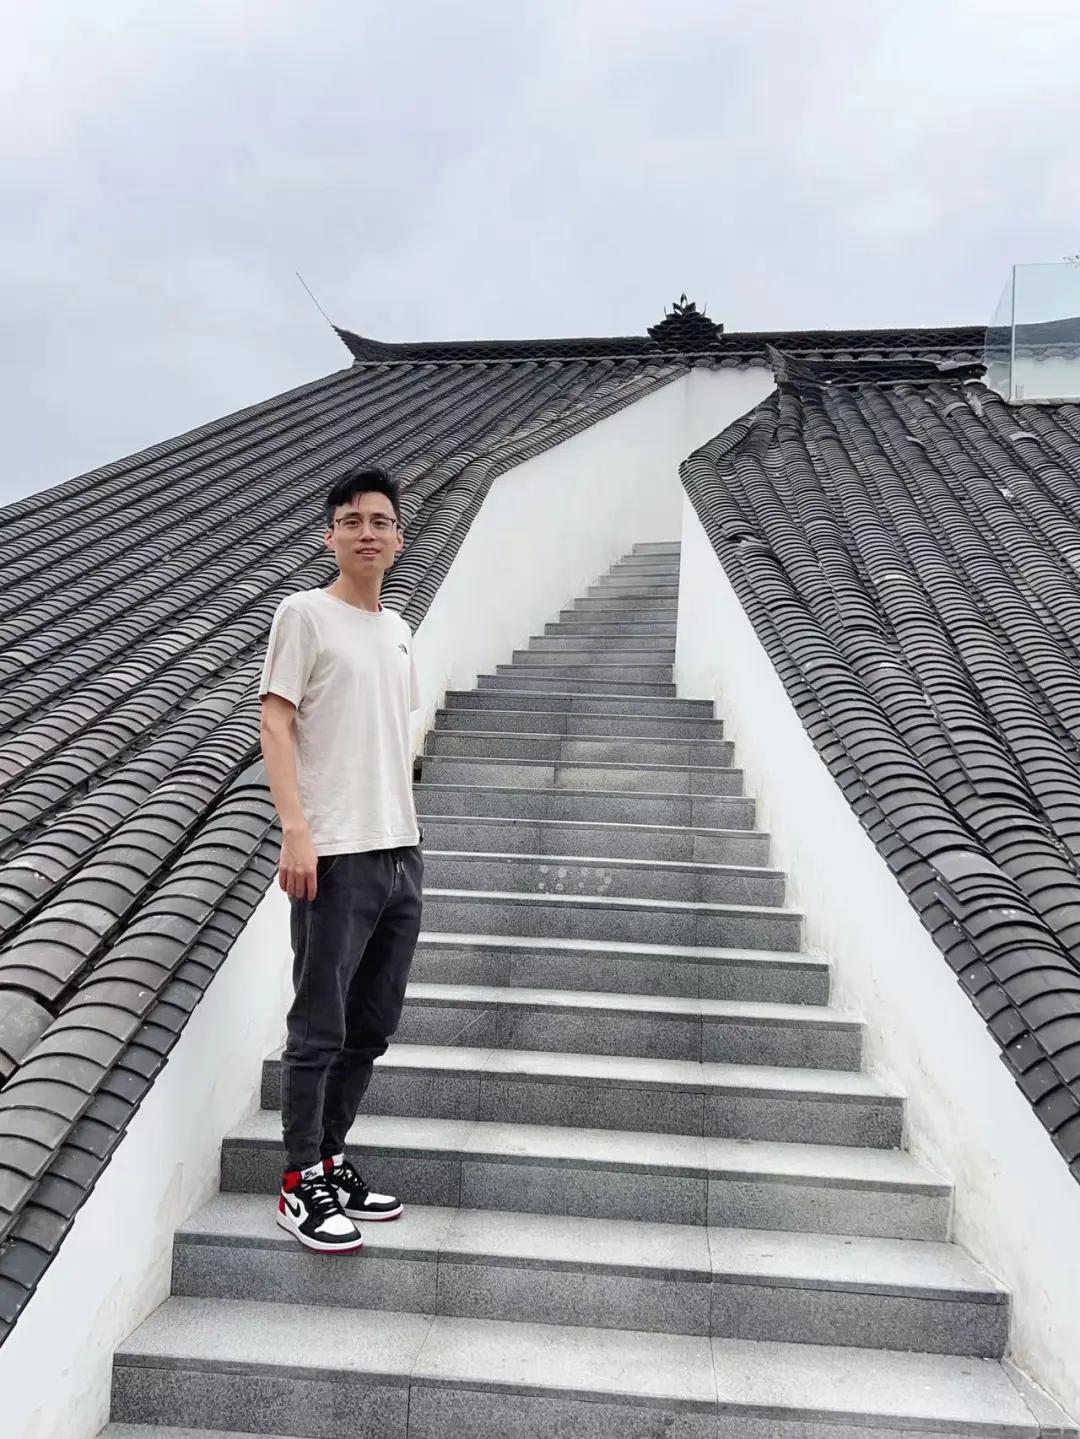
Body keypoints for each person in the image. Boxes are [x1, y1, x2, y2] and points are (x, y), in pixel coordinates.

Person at [258, 462, 424, 1254]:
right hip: (334, 854)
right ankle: (298, 1182)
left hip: (400, 853)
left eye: (380, 521)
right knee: (318, 1025)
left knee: (371, 1025)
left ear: (399, 538)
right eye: (351, 520)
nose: (367, 532)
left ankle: (330, 1156)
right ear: (330, 535)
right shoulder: (304, 614)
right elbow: (275, 720)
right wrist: (296, 828)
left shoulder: (399, 630)